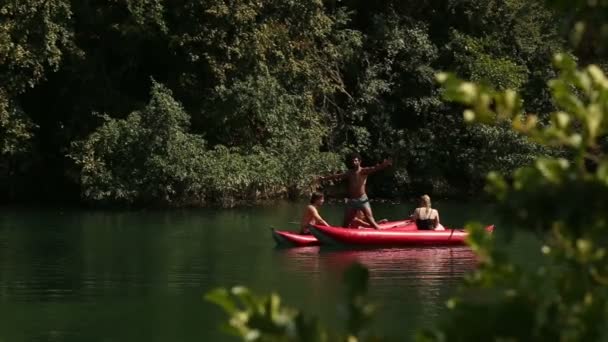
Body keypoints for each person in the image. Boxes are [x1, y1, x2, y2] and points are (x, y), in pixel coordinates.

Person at [319, 153, 392, 229]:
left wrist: (384, 165)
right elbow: (337, 176)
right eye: (353, 161)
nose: (354, 162)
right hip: (352, 201)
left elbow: (375, 168)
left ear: (360, 161)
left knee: (370, 219)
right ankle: (342, 237)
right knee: (345, 224)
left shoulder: (364, 171)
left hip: (363, 199)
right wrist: (324, 178)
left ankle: (379, 232)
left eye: (356, 161)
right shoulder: (349, 173)